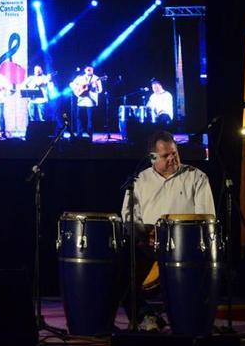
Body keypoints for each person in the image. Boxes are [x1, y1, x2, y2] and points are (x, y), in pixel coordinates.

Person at [120, 130, 216, 330]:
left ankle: (184, 321)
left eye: (175, 152)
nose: (172, 158)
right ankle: (147, 317)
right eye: (166, 155)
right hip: (148, 247)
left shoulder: (196, 177)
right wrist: (142, 233)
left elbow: (206, 219)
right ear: (153, 158)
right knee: (119, 273)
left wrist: (172, 234)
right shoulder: (139, 180)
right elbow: (129, 217)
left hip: (185, 250)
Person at [70, 66, 103, 137]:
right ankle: (79, 134)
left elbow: (100, 90)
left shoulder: (96, 78)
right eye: (88, 70)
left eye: (91, 70)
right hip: (81, 101)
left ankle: (90, 136)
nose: (89, 71)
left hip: (90, 102)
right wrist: (77, 89)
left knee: (90, 120)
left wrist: (95, 87)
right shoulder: (80, 77)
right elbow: (71, 84)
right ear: (85, 70)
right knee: (79, 118)